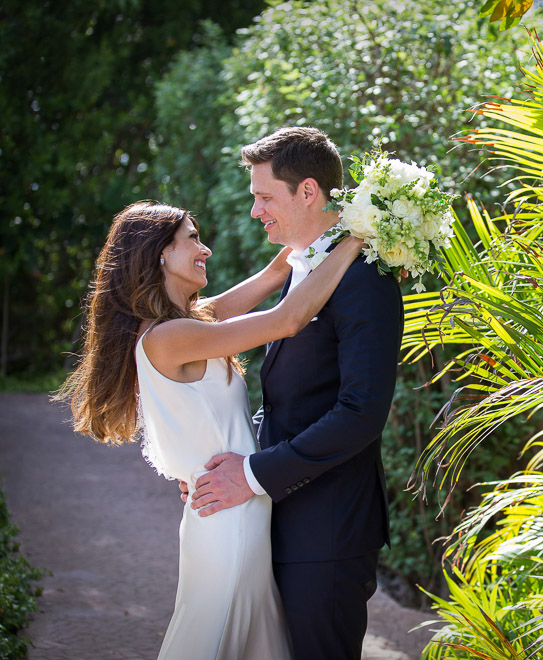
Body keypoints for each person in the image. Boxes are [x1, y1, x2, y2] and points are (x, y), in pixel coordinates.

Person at [57, 200, 366, 659]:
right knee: (215, 641)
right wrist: (359, 239)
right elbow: (288, 319)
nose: (206, 250)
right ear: (160, 253)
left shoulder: (189, 323)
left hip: (233, 511)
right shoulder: (170, 337)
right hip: (230, 524)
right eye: (192, 239)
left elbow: (273, 276)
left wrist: (340, 221)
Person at [186, 126, 403, 659]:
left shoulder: (364, 278)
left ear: (308, 191)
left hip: (327, 535)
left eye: (264, 196)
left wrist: (254, 475)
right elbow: (290, 403)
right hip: (281, 522)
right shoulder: (306, 268)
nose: (256, 210)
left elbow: (360, 413)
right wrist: (229, 463)